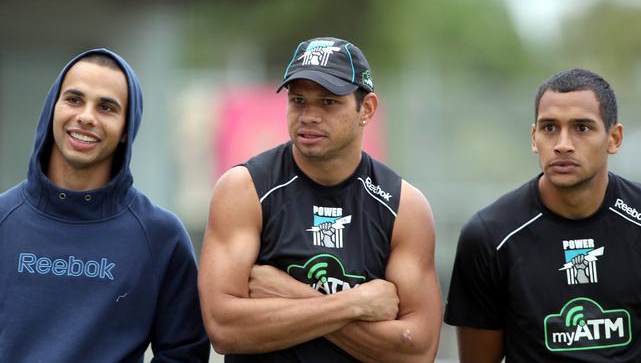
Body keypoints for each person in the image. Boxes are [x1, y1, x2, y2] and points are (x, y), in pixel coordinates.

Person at [199, 37, 442, 362]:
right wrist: (356, 304)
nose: (309, 115)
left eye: (328, 102)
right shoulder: (245, 189)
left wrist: (287, 293)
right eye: (298, 100)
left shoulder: (403, 206)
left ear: (366, 109)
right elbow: (224, 328)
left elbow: (417, 351)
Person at [0, 48, 209, 362]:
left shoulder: (161, 237)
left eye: (106, 107)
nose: (86, 116)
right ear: (52, 109)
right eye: (74, 99)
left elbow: (184, 353)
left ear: (127, 130)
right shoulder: (4, 219)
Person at [445, 68, 641, 362]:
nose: (562, 144)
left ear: (614, 138)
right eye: (550, 127)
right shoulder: (489, 236)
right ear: (534, 137)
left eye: (582, 128)